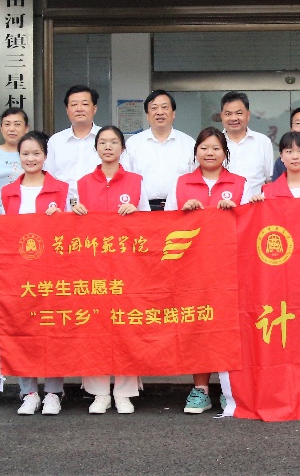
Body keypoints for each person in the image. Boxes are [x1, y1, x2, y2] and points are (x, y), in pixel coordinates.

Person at [165, 127, 250, 415]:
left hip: (231, 268)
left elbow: (254, 223)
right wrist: (183, 213)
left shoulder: (240, 183)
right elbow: (165, 225)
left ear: (225, 153)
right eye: (204, 148)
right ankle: (200, 389)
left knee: (229, 326)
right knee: (198, 325)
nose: (209, 153)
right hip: (193, 267)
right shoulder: (181, 183)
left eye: (215, 148)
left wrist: (236, 211)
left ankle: (229, 390)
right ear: (196, 152)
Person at [71, 126, 146, 415]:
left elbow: (150, 224)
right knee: (95, 327)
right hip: (93, 267)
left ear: (123, 148)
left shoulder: (136, 181)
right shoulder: (82, 183)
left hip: (127, 265)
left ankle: (125, 391)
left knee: (126, 325)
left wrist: (137, 213)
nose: (108, 147)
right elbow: (68, 227)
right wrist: (74, 213)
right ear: (96, 148)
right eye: (102, 142)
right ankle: (99, 392)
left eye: (114, 142)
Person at [0, 131, 72, 416]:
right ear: (18, 156)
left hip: (53, 271)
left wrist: (63, 219)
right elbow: (4, 231)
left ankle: (54, 391)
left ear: (45, 156)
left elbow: (73, 230)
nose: (30, 159)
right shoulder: (8, 191)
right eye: (25, 154)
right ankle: (28, 391)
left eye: (36, 153)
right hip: (20, 272)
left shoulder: (62, 189)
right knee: (23, 329)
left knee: (52, 328)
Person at [119, 90, 195, 211]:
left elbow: (196, 177)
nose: (160, 112)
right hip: (142, 210)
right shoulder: (133, 144)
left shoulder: (189, 143)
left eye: (165, 107)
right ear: (147, 115)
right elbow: (125, 178)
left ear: (173, 113)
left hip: (180, 210)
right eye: (154, 108)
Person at [219, 91, 275, 201]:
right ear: (221, 116)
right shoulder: (214, 143)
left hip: (255, 206)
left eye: (239, 113)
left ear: (248, 115)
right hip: (222, 206)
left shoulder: (263, 142)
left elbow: (269, 180)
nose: (233, 118)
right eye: (228, 114)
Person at [46, 85, 103, 187]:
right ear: (67, 110)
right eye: (74, 104)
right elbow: (49, 175)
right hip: (63, 197)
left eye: (85, 104)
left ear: (94, 109)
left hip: (99, 196)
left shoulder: (106, 138)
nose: (79, 109)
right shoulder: (55, 141)